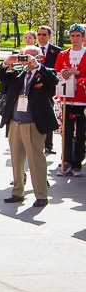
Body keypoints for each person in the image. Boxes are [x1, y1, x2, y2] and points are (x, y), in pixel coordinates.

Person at [0, 45, 58, 206]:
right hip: (15, 121)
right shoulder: (17, 72)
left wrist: (37, 66)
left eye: (29, 57)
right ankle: (17, 191)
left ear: (39, 58)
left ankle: (41, 195)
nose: (25, 60)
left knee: (36, 159)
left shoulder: (45, 73)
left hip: (34, 122)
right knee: (16, 158)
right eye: (23, 56)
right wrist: (6, 63)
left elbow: (53, 81)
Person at [55, 24, 86, 177]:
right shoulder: (63, 54)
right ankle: (66, 160)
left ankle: (77, 163)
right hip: (66, 98)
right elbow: (57, 72)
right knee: (66, 131)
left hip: (82, 99)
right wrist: (63, 73)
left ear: (83, 37)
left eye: (78, 36)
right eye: (72, 36)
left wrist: (77, 72)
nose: (75, 39)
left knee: (81, 132)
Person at [36, 25, 61, 155]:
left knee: (48, 114)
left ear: (50, 36)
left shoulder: (56, 51)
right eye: (39, 34)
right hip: (33, 88)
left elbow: (58, 70)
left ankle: (48, 145)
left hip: (49, 88)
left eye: (44, 34)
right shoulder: (32, 50)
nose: (41, 37)